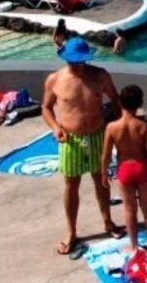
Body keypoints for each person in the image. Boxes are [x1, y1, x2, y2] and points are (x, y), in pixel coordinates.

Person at [41, 37, 125, 255]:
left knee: (101, 180)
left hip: (98, 135)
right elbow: (46, 108)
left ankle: (108, 221)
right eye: (72, 61)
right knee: (71, 184)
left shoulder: (100, 75)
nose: (76, 65)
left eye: (80, 61)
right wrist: (54, 128)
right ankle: (71, 231)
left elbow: (116, 101)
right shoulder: (55, 79)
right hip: (70, 139)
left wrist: (121, 129)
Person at [100, 85, 147, 255]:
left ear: (120, 102)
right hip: (142, 168)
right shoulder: (143, 125)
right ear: (139, 103)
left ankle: (133, 246)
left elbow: (105, 155)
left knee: (129, 209)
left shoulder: (112, 127)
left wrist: (104, 172)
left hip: (124, 169)